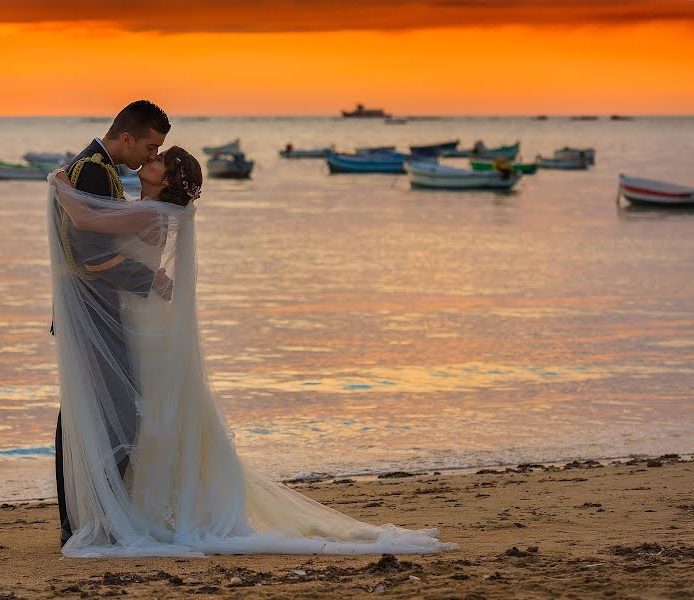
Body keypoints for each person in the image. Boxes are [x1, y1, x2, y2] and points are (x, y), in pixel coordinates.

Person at [47, 143, 457, 557]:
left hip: (140, 324)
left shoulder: (149, 213)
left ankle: (127, 510)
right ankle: (130, 507)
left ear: (168, 179)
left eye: (157, 160)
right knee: (147, 416)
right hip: (139, 318)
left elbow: (84, 219)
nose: (147, 161)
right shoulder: (149, 211)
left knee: (144, 417)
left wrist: (59, 180)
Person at [51, 100, 171, 547]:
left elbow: (109, 236)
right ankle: (90, 517)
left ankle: (93, 515)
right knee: (105, 412)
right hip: (89, 311)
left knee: (98, 412)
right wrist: (147, 278)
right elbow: (88, 254)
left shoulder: (99, 169)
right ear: (127, 137)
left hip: (100, 310)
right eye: (150, 146)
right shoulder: (92, 172)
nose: (151, 156)